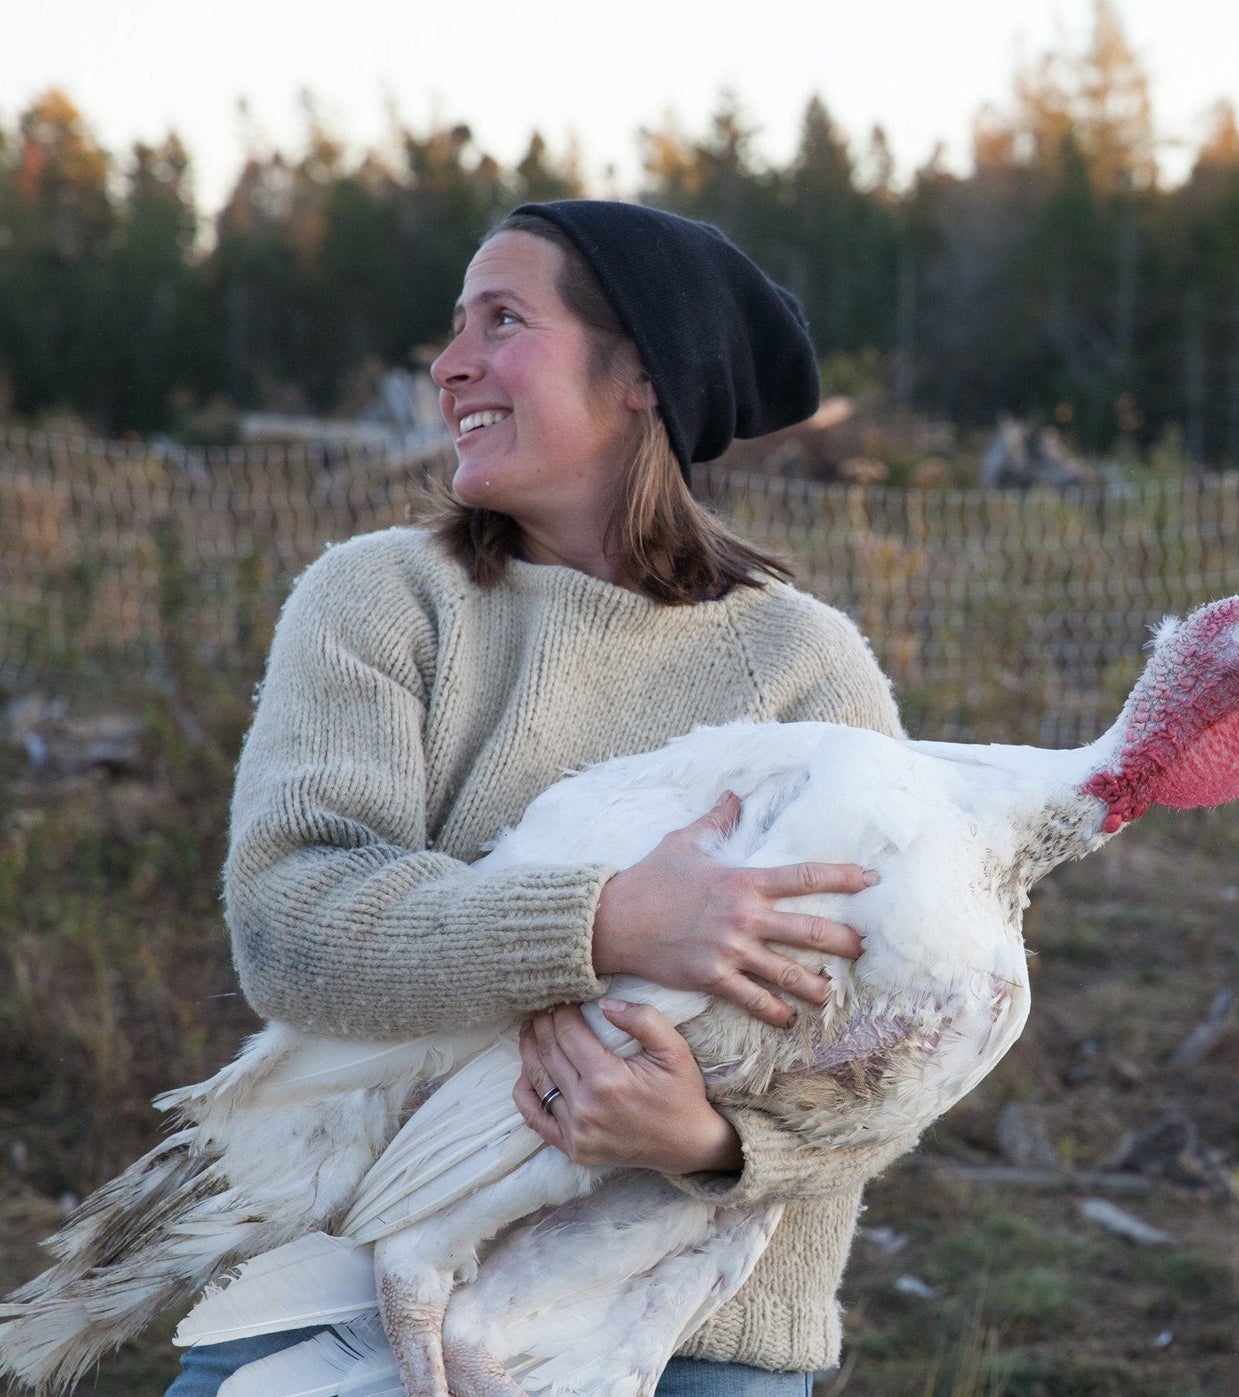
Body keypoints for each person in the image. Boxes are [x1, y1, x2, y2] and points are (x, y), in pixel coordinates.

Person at [168, 200, 920, 1397]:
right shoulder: (380, 602)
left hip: (685, 1328)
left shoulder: (803, 666)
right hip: (355, 1284)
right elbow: (290, 920)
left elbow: (902, 1023)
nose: (448, 361)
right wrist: (608, 922)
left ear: (642, 376)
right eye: (452, 324)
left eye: (502, 319)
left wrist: (712, 1143)